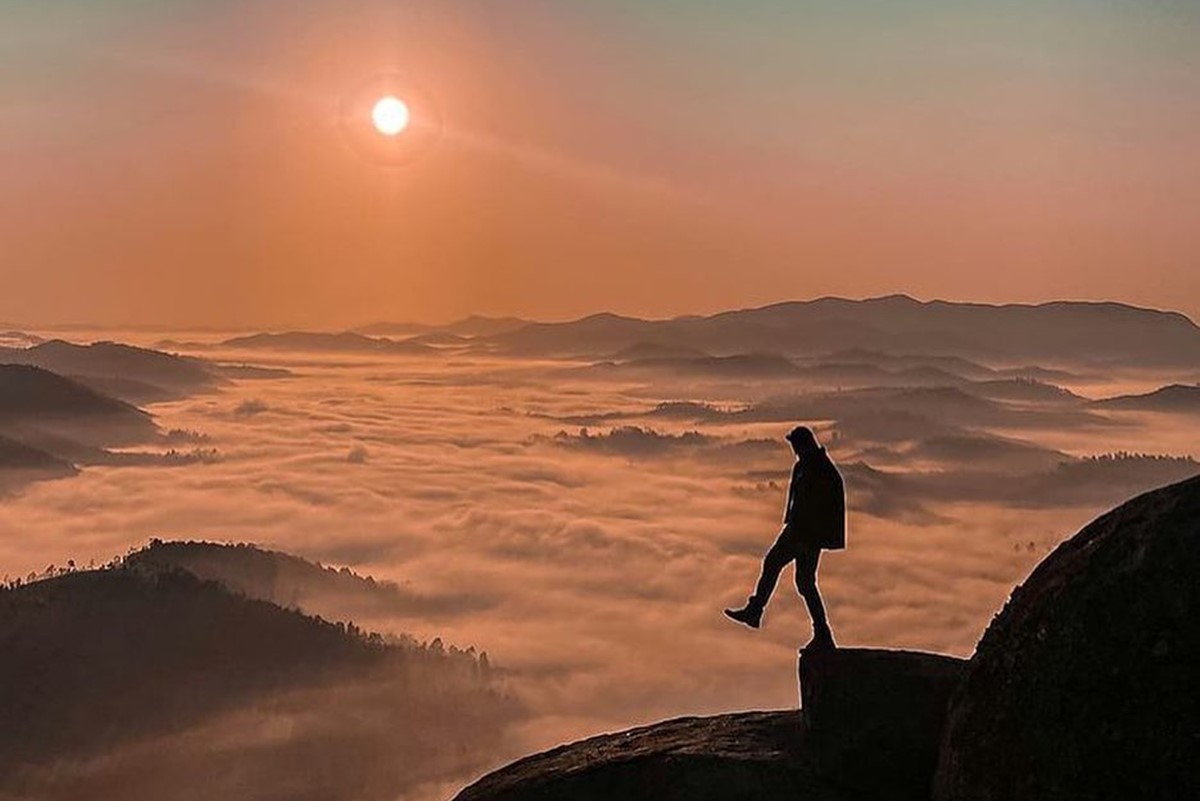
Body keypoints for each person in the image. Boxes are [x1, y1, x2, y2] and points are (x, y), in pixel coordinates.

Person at [724, 425, 845, 650]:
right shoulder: (807, 466)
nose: (794, 450)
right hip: (801, 531)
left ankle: (756, 611)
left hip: (804, 534)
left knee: (779, 567)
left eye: (795, 445)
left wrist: (813, 537)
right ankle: (821, 633)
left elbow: (826, 506)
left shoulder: (820, 469)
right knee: (804, 582)